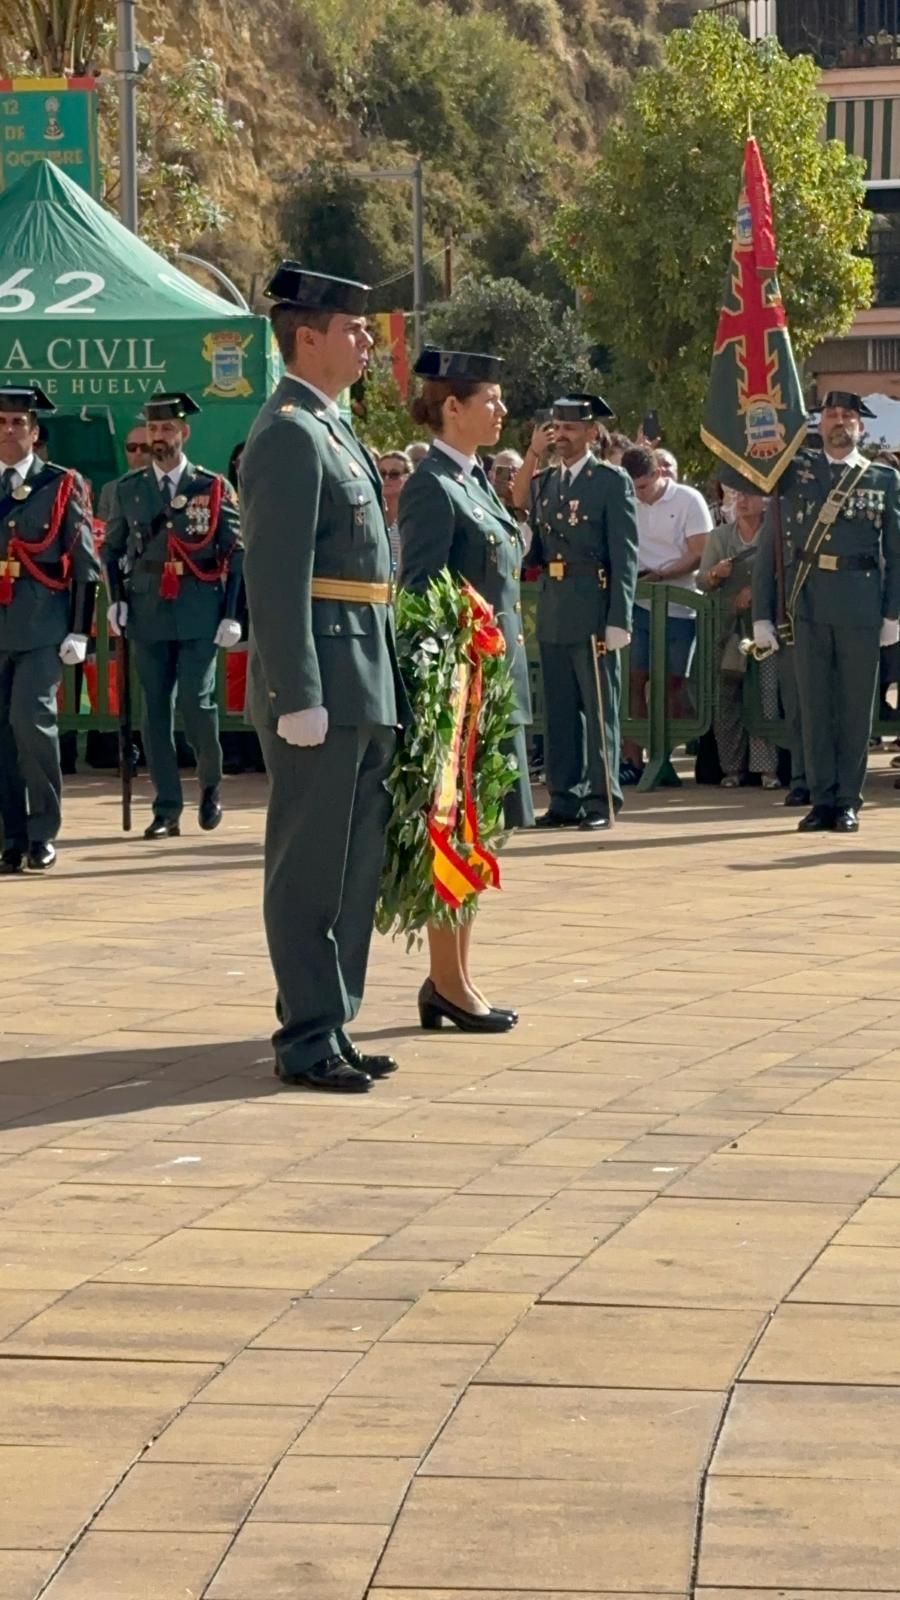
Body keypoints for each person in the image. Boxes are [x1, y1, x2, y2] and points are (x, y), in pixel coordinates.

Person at [241, 262, 407, 1094]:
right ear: (306, 338)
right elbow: (276, 575)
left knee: (353, 863)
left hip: (362, 667)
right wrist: (294, 691)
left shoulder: (333, 427)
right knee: (308, 864)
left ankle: (332, 1019)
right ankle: (305, 1033)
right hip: (322, 680)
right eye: (351, 328)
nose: (367, 338)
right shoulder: (288, 434)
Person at [399, 345, 530, 1034]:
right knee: (453, 831)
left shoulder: (475, 480)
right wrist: (437, 691)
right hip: (457, 690)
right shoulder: (431, 486)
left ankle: (454, 977)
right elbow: (420, 592)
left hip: (491, 684)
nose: (502, 410)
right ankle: (449, 983)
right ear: (453, 407)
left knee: (479, 833)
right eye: (491, 400)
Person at [752, 390, 900, 832]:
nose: (839, 422)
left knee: (855, 708)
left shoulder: (882, 479)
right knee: (812, 706)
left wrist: (893, 613)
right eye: (831, 415)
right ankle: (820, 799)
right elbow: (771, 546)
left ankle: (848, 799)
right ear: (818, 425)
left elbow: (896, 551)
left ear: (860, 426)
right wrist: (764, 612)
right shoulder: (793, 472)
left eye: (848, 416)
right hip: (808, 600)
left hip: (860, 602)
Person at [103, 393, 244, 839]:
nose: (159, 438)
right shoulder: (130, 489)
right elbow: (112, 549)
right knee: (154, 711)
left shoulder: (212, 487)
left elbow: (235, 551)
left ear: (184, 433)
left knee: (197, 703)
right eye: (152, 429)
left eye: (167, 429)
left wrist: (232, 611)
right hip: (147, 608)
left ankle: (210, 785)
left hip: (200, 606)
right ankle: (166, 807)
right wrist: (116, 599)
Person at [523, 394, 639, 829]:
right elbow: (535, 548)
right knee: (559, 710)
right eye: (556, 426)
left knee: (598, 707)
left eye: (571, 428)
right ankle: (564, 795)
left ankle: (600, 796)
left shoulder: (611, 481)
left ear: (592, 433)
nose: (562, 435)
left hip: (593, 603)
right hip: (554, 605)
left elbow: (624, 553)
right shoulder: (544, 483)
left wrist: (618, 619)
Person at [0, 384, 99, 872]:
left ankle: (43, 831)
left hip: (41, 629)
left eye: (18, 423)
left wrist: (80, 629)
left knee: (31, 725)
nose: (8, 430)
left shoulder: (61, 485)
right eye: (0, 422)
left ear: (35, 433)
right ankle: (10, 836)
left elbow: (85, 563)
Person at [621, 445, 713, 784]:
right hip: (638, 602)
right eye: (633, 488)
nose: (639, 494)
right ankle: (633, 759)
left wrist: (662, 574)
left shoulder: (689, 500)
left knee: (671, 682)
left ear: (660, 473)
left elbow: (699, 552)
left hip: (680, 603)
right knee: (634, 677)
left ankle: (665, 756)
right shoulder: (626, 500)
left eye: (643, 486)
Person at [698, 489, 780, 790]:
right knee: (726, 698)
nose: (742, 502)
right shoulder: (720, 536)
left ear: (764, 501)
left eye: (750, 496)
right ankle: (732, 768)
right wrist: (715, 575)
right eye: (738, 496)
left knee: (766, 695)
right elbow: (701, 581)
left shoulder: (775, 534)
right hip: (728, 630)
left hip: (765, 627)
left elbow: (785, 573)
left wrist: (757, 592)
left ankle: (767, 768)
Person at [97, 425, 152, 526]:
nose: (138, 452)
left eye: (145, 448)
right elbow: (103, 529)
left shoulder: (166, 484)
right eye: (132, 447)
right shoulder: (109, 490)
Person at [378, 449, 412, 573]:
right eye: (382, 474)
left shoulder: (413, 520)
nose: (386, 478)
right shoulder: (371, 516)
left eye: (394, 474)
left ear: (407, 478)